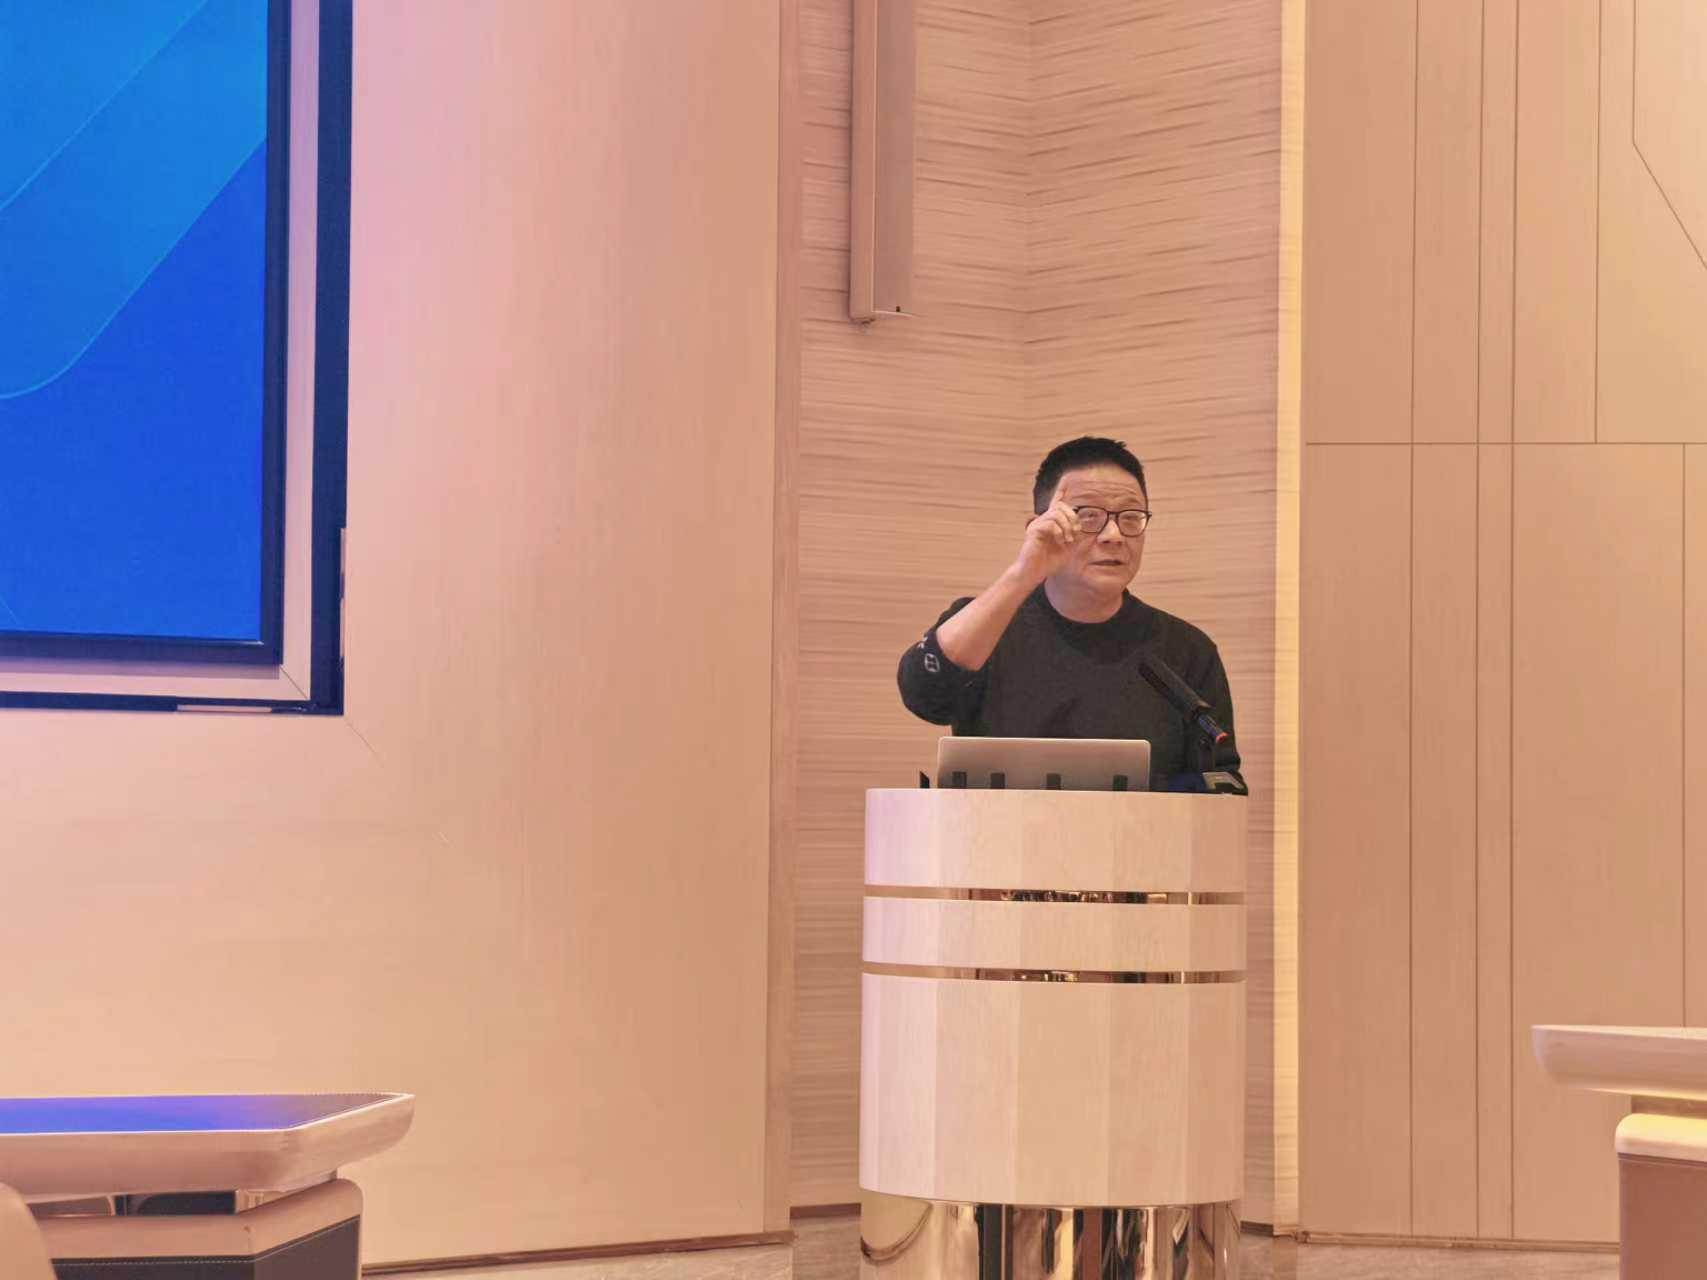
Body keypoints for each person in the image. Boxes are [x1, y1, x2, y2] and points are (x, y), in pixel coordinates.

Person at [896, 435, 1240, 789]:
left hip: (1141, 828)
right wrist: (1023, 573)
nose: (1113, 535)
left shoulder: (1186, 651)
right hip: (995, 827)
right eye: (1088, 516)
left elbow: (1222, 779)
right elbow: (923, 695)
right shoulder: (989, 625)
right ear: (1039, 527)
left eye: (1130, 517)